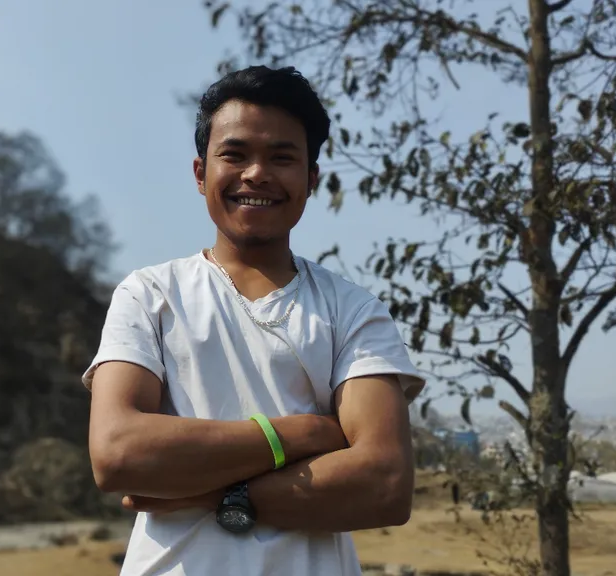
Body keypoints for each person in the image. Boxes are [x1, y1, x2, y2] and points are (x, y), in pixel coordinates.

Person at [83, 65, 426, 576]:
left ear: (311, 180)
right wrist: (308, 432)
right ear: (201, 174)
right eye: (235, 155)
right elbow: (117, 453)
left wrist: (207, 493)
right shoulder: (149, 294)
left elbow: (384, 485)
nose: (257, 174)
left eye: (282, 157)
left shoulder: (354, 311)